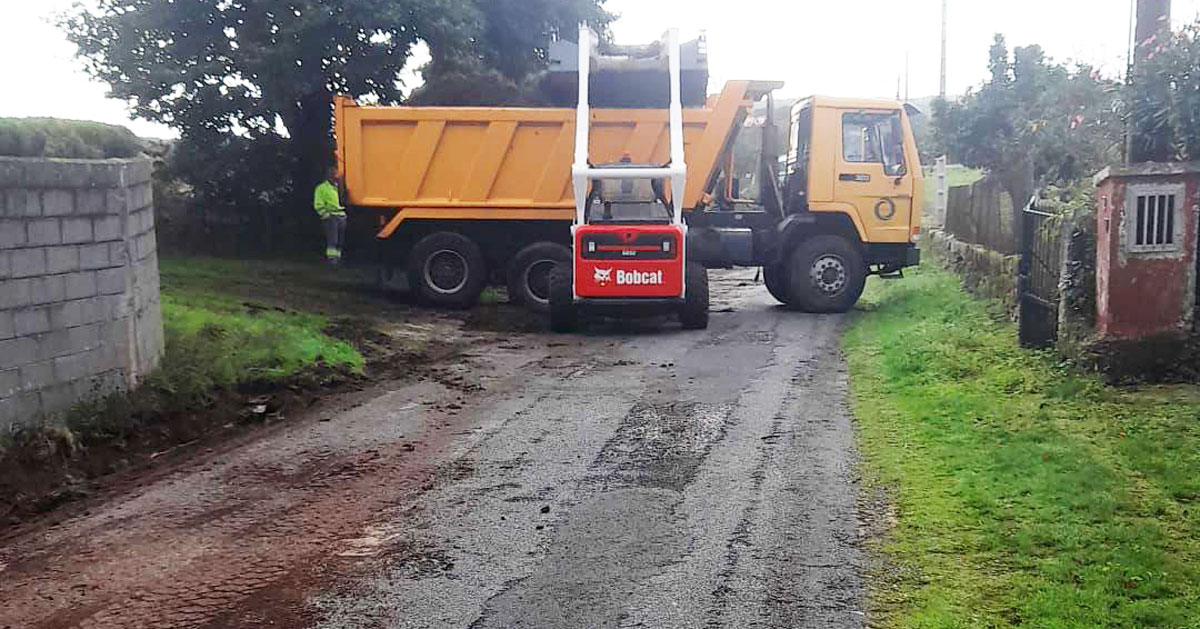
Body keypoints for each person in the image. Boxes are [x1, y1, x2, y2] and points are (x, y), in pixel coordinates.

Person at [313, 167, 346, 265]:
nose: (336, 177)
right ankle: (332, 260)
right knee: (333, 239)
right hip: (331, 216)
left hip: (341, 216)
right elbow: (318, 204)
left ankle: (338, 259)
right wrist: (326, 215)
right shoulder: (321, 188)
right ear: (329, 176)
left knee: (340, 240)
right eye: (334, 174)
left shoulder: (338, 187)